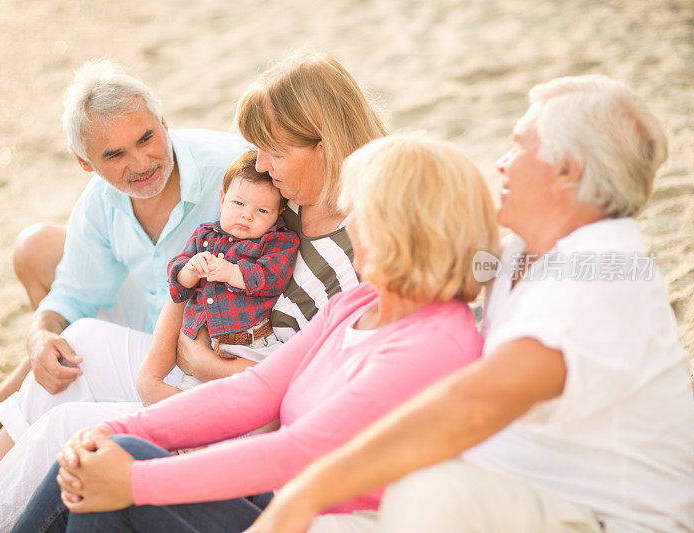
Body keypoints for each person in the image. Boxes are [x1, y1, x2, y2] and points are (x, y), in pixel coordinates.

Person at [0, 51, 387, 533]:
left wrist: (200, 365)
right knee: (79, 342)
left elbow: (307, 385)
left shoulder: (355, 243)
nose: (256, 163)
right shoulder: (284, 196)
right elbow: (183, 275)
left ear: (322, 145)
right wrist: (157, 368)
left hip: (244, 397)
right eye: (258, 149)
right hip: (210, 361)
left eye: (271, 151)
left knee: (73, 436)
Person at [247, 75, 694, 533]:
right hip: (516, 498)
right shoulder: (524, 251)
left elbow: (473, 406)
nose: (502, 163)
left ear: (567, 171)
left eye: (519, 146)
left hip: (604, 519)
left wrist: (311, 486)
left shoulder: (600, 275)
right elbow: (443, 266)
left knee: (426, 488)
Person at [13, 132, 501, 533]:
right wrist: (119, 429)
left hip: (312, 519)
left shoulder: (436, 344)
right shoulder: (361, 301)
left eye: (365, 215)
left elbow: (299, 452)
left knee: (111, 469)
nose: (352, 228)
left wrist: (138, 482)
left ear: (410, 228)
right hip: (272, 495)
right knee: (101, 453)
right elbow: (257, 391)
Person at [0, 59, 248, 518]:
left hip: (207, 349)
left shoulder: (229, 170)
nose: (140, 164)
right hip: (151, 329)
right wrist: (38, 334)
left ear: (164, 122)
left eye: (146, 138)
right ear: (85, 163)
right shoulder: (101, 201)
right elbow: (70, 297)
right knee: (56, 326)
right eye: (114, 155)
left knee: (75, 350)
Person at [167, 149, 299, 390]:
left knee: (270, 397)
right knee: (187, 402)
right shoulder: (205, 235)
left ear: (278, 214)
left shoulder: (277, 241)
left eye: (262, 211)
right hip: (207, 345)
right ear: (222, 198)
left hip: (255, 345)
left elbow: (273, 277)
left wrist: (232, 273)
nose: (246, 215)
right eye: (238, 203)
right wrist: (191, 270)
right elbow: (177, 286)